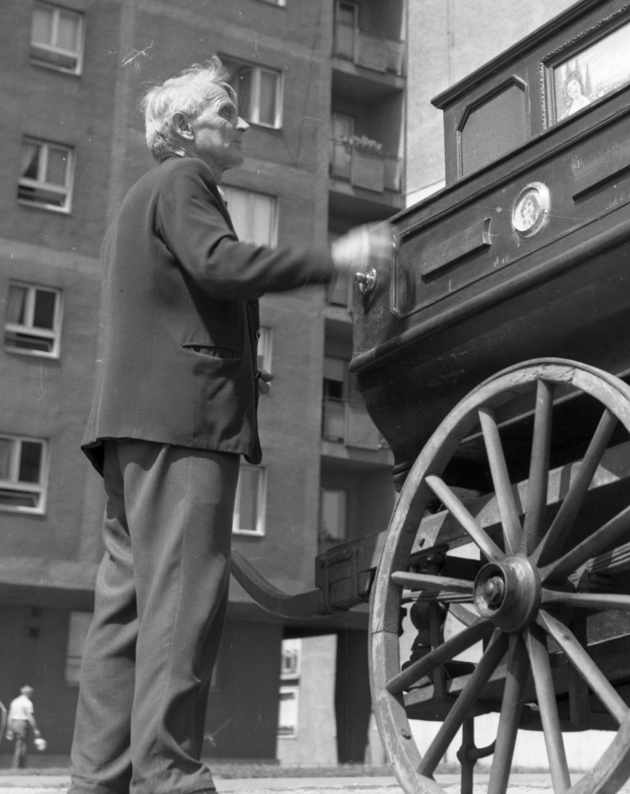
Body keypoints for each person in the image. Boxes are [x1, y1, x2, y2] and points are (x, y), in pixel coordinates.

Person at [69, 59, 392, 794]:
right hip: (183, 426)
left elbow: (177, 300)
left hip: (132, 431)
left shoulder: (140, 196)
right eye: (227, 111)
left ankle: (98, 780)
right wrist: (334, 256)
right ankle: (171, 778)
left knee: (126, 614)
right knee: (184, 605)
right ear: (184, 128)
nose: (241, 122)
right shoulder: (185, 182)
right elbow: (220, 263)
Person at [6, 685, 39, 770]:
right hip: (22, 723)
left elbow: (10, 716)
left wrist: (9, 729)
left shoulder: (15, 701)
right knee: (21, 745)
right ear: (29, 693)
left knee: (19, 743)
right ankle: (18, 766)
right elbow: (30, 716)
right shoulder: (27, 703)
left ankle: (18, 765)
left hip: (14, 723)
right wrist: (35, 728)